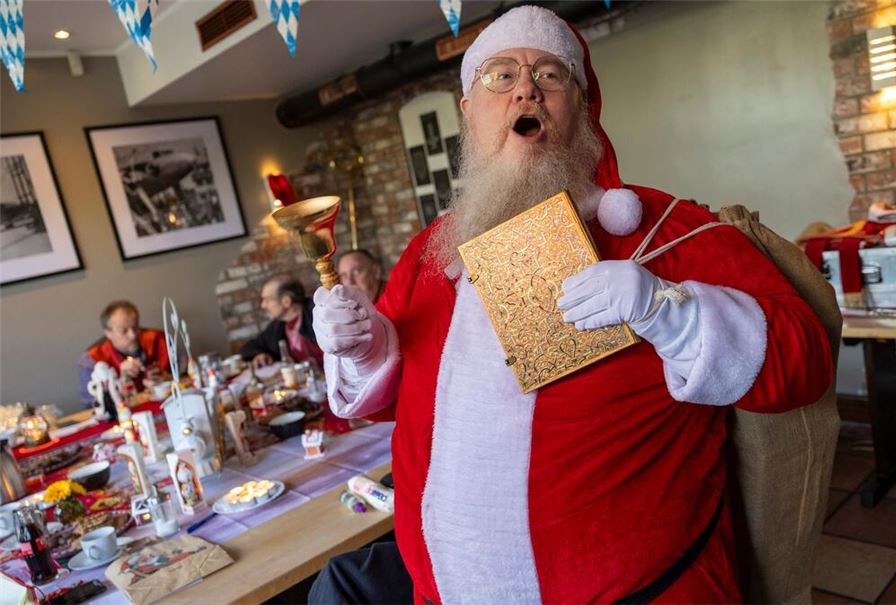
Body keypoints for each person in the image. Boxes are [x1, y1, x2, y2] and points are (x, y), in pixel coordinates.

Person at [309, 6, 834, 604]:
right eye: (499, 76)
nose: (526, 88)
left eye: (551, 75)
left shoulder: (664, 230)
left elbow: (804, 362)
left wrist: (670, 310)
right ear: (468, 113)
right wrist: (364, 348)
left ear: (583, 108)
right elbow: (388, 406)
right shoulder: (430, 257)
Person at [78, 301, 170, 408]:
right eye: (124, 330)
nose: (133, 336)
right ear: (108, 333)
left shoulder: (158, 340)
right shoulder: (91, 360)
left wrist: (167, 380)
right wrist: (121, 383)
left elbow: (186, 377)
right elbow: (90, 406)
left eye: (136, 327)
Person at [240, 276, 321, 369]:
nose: (263, 305)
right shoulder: (278, 326)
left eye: (268, 300)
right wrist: (259, 354)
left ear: (286, 301)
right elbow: (249, 347)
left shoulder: (318, 314)